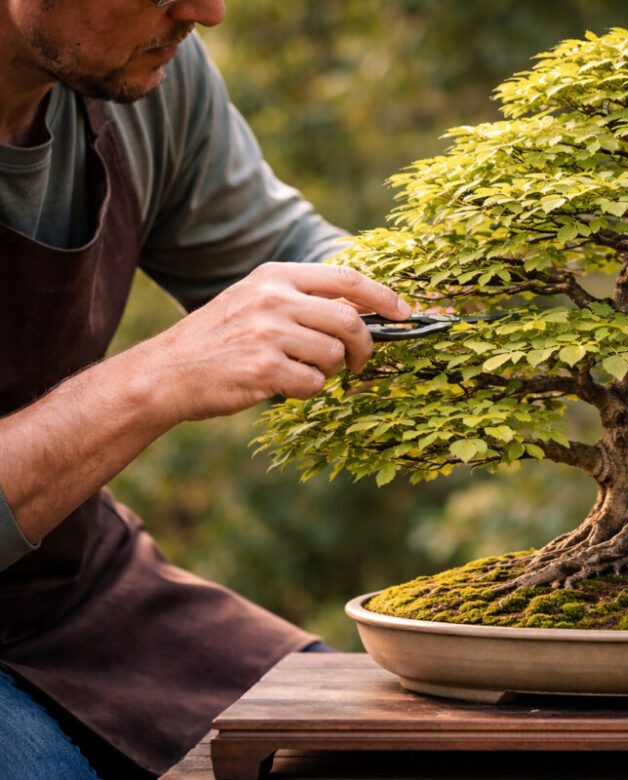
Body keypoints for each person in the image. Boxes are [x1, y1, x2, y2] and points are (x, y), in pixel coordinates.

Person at [0, 1, 413, 776]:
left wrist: (463, 282)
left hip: (73, 592)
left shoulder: (145, 72)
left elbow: (294, 255)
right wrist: (159, 376)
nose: (207, 12)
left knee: (366, 751)